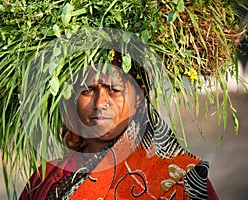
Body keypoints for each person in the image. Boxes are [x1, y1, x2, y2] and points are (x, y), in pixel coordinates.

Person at [19, 51, 219, 200]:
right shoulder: (46, 178)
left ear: (139, 97)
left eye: (114, 90)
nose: (99, 103)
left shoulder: (179, 179)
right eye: (88, 91)